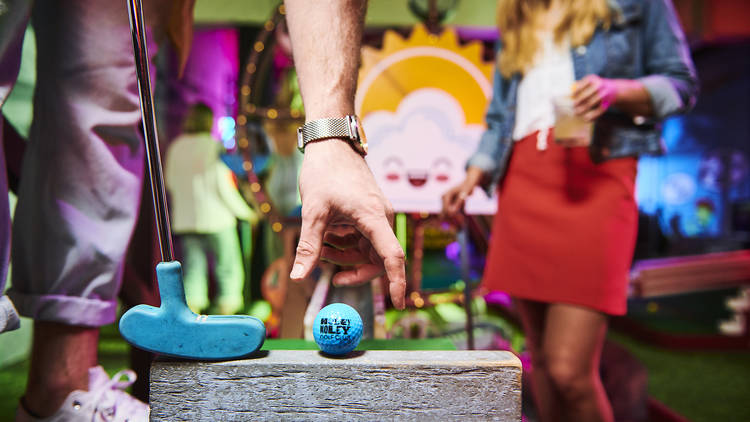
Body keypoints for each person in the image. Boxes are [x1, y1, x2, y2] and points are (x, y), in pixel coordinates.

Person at [0, 1, 404, 421]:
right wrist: (243, 210)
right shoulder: (209, 148)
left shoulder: (181, 147)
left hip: (190, 220)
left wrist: (332, 137)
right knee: (223, 265)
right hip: (213, 220)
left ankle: (62, 390)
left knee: (100, 92)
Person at [442, 0, 697, 421]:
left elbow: (681, 85)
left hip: (596, 176)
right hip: (522, 180)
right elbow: (502, 115)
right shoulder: (519, 11)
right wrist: (475, 172)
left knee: (569, 371)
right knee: (540, 361)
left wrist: (617, 91)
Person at [165, 102, 258, 315]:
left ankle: (194, 319)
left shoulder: (176, 146)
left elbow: (170, 182)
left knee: (193, 271)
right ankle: (227, 313)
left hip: (187, 220)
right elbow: (223, 186)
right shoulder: (214, 146)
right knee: (228, 268)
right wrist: (247, 213)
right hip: (218, 219)